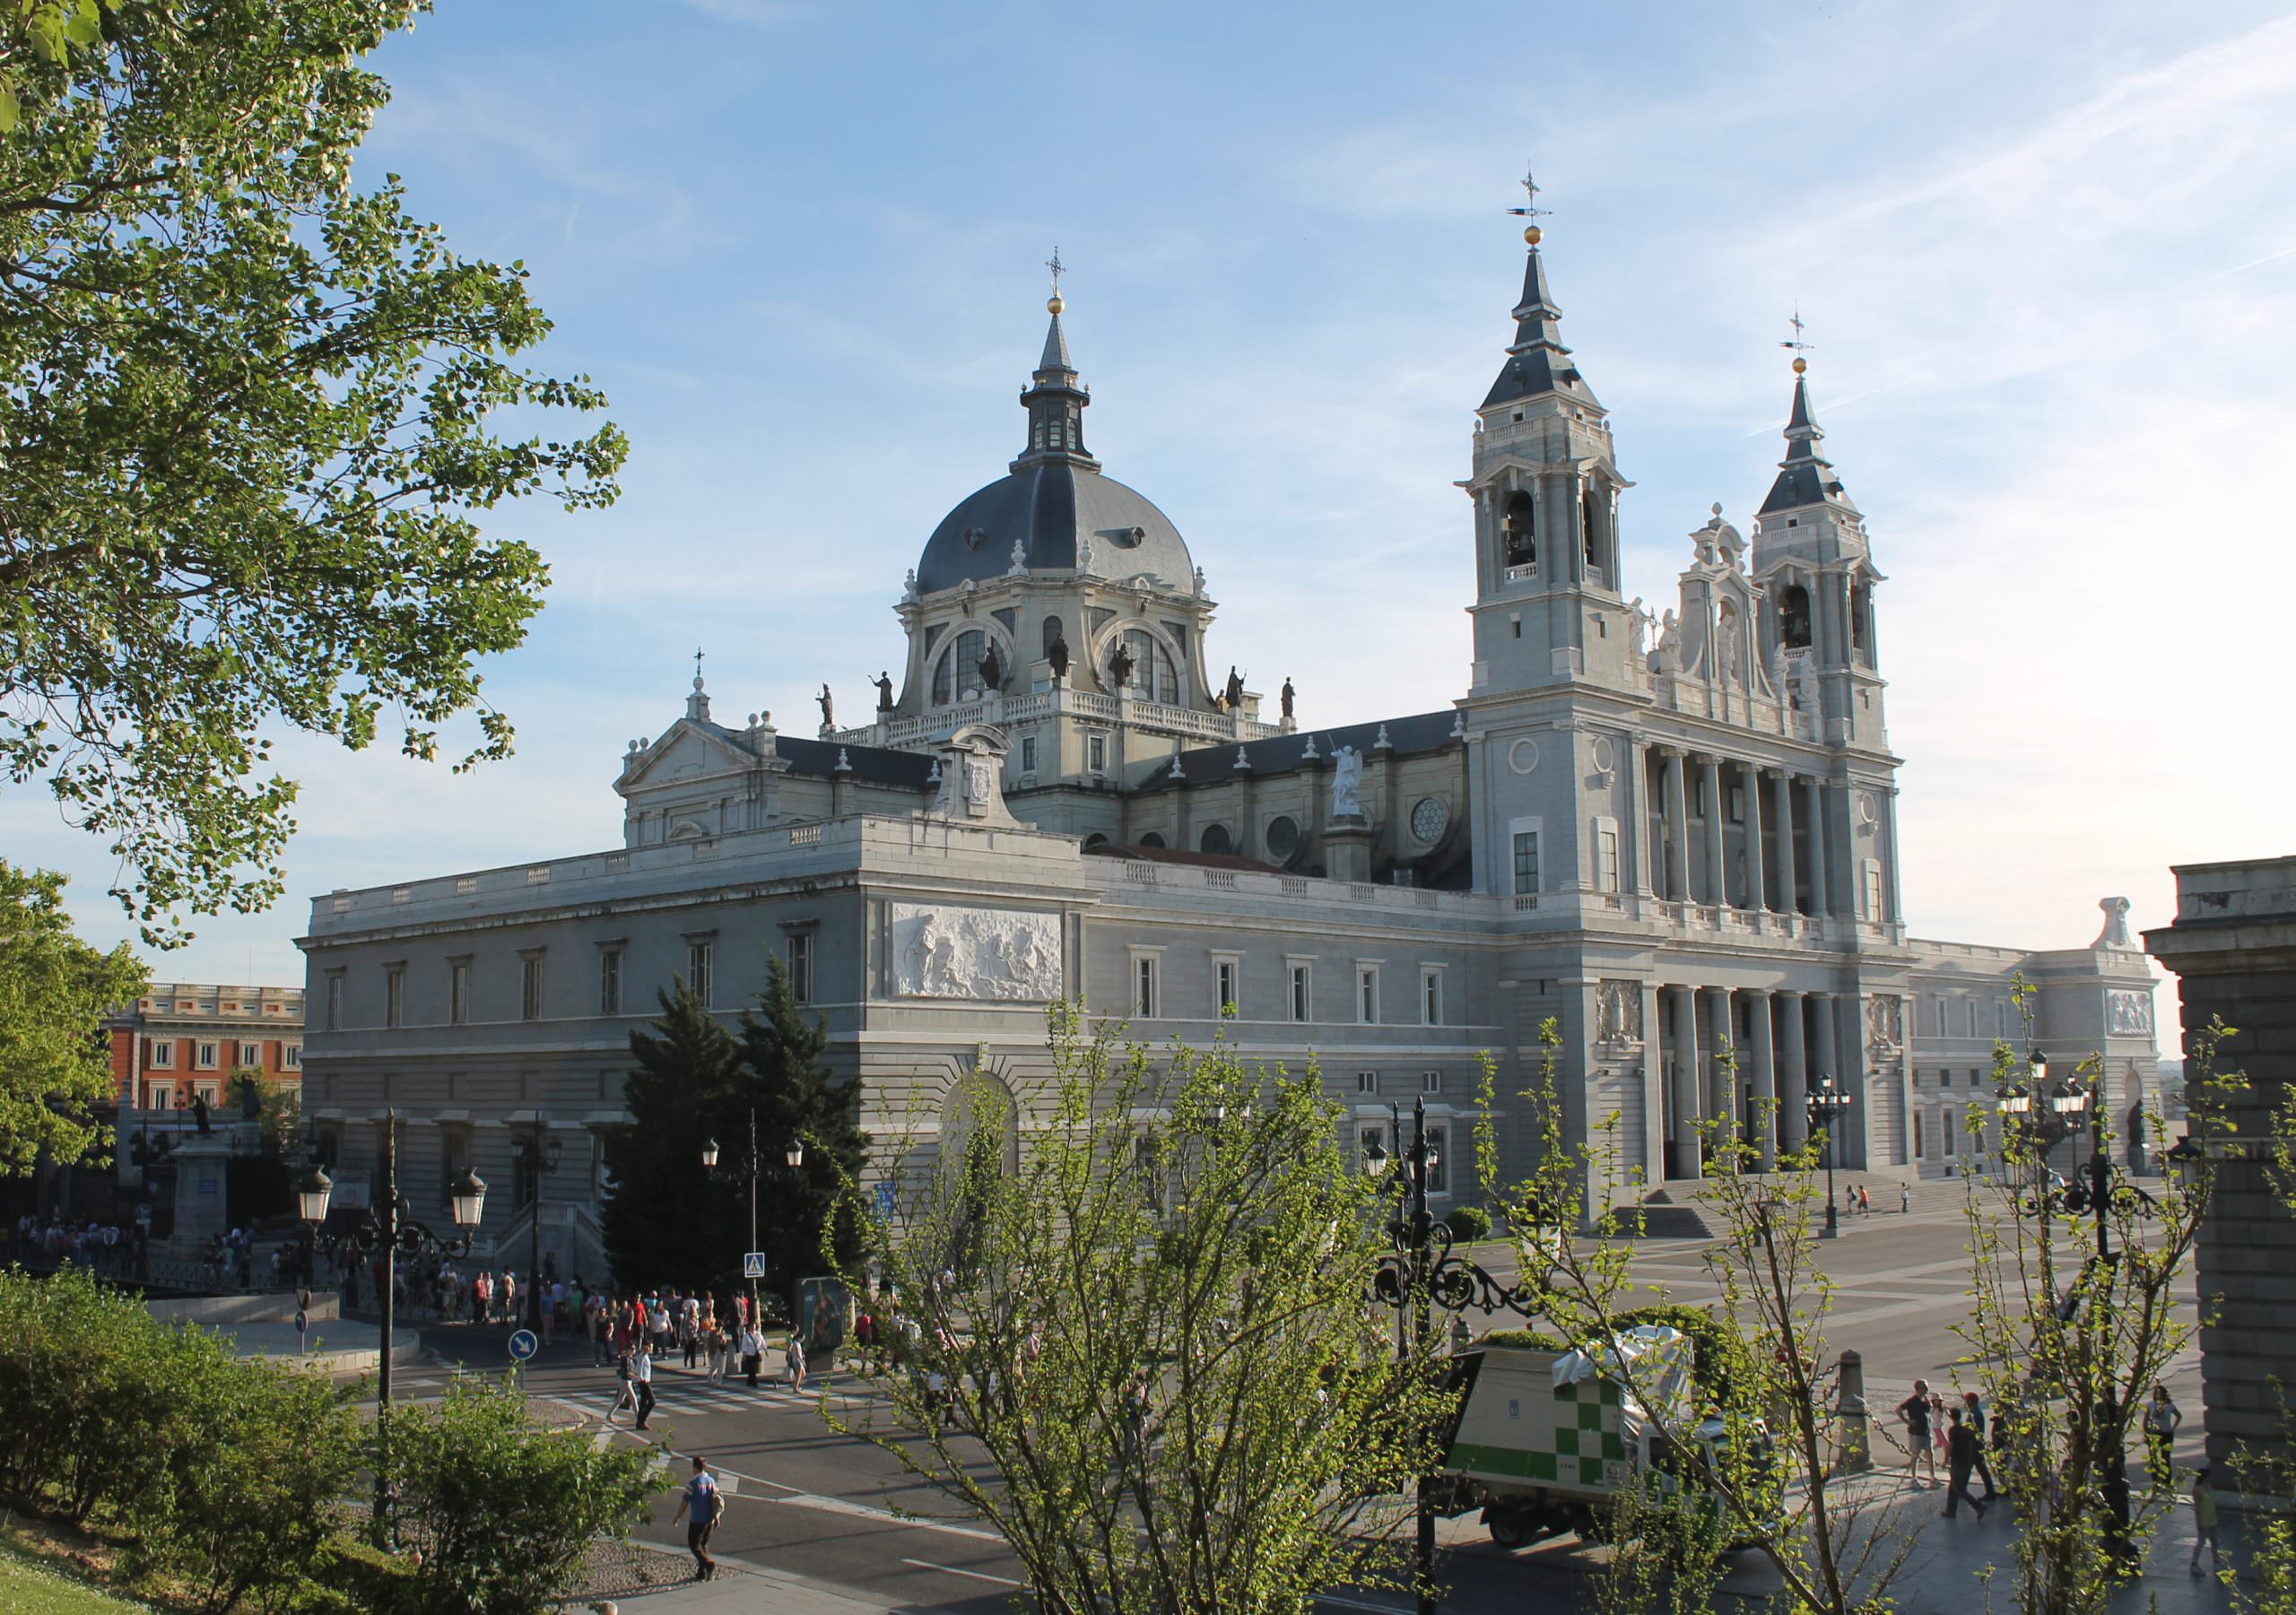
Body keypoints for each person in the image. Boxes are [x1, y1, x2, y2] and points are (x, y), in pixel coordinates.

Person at [670, 1456, 722, 1581]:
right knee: (703, 1544)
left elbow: (685, 1502)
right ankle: (701, 1573)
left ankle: (708, 1564)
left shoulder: (693, 1484)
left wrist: (677, 1517)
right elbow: (716, 1499)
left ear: (695, 1468)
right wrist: (716, 1516)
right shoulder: (711, 1480)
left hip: (697, 1519)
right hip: (709, 1519)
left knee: (694, 1544)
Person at [1943, 1407, 1989, 1518]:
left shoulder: (1953, 1430)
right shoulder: (1967, 1429)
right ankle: (1951, 1510)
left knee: (1959, 1489)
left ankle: (1978, 1506)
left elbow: (1950, 1446)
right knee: (1953, 1487)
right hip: (1967, 1461)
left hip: (1957, 1461)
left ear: (1951, 1417)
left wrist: (1945, 1460)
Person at [1899, 1379, 1938, 1487]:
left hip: (1926, 1431)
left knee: (1930, 1453)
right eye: (1924, 1387)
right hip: (1915, 1433)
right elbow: (1899, 1409)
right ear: (1919, 1389)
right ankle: (1913, 1478)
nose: (1927, 1390)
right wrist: (1907, 1421)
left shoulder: (1925, 1400)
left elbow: (1928, 1412)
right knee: (1915, 1455)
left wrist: (1929, 1405)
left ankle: (1932, 1478)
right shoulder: (1912, 1401)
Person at [1960, 1391, 1997, 1499]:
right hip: (1976, 1445)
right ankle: (1963, 1490)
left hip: (1974, 1445)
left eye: (1966, 1400)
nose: (1965, 1403)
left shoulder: (1975, 1414)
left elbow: (1972, 1430)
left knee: (1974, 1469)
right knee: (1974, 1469)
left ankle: (1962, 1490)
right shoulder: (1975, 1412)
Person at [2144, 1385, 2183, 1489]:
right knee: (2154, 1459)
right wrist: (2147, 1433)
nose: (2158, 1395)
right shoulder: (2150, 1405)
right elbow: (2146, 1420)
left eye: (2160, 1393)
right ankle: (2156, 1482)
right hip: (2154, 1433)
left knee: (2165, 1458)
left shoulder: (2169, 1405)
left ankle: (2167, 1482)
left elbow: (2178, 1416)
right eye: (2156, 1393)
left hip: (2166, 1433)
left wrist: (2173, 1428)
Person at [2191, 1466, 2222, 1575]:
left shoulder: (2209, 1486)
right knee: (2201, 1541)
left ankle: (2216, 1562)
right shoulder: (2198, 1490)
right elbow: (2197, 1507)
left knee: (2215, 1542)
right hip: (2204, 1519)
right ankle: (2194, 1564)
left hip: (2212, 1518)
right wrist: (2199, 1522)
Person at [630, 1340, 657, 1431]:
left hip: (644, 1380)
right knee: (652, 1401)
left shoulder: (645, 1356)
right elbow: (640, 1368)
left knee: (643, 1402)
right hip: (643, 1381)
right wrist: (641, 1379)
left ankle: (639, 1422)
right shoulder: (642, 1356)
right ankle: (642, 1420)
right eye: (649, 1347)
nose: (650, 1349)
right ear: (645, 1347)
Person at [739, 1321, 763, 1389]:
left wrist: (763, 1351)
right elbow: (744, 1346)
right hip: (749, 1355)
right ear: (749, 1328)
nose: (753, 1328)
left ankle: (749, 1381)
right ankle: (754, 1382)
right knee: (751, 1369)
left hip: (756, 1354)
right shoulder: (746, 1336)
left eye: (754, 1327)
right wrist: (744, 1355)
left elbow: (762, 1342)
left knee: (752, 1369)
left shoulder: (758, 1334)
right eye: (752, 1327)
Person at [786, 1327, 807, 1393]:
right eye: (803, 1338)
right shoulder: (796, 1344)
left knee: (803, 1374)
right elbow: (798, 1354)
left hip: (797, 1361)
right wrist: (803, 1362)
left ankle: (795, 1385)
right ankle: (796, 1388)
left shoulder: (797, 1343)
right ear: (799, 1338)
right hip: (797, 1361)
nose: (803, 1340)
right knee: (799, 1375)